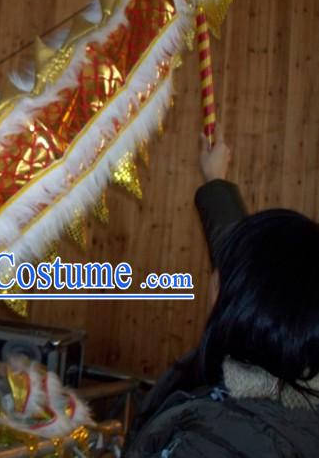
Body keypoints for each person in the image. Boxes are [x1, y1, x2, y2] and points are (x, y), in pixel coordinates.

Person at [126, 128, 319, 457]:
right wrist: (215, 179)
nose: (214, 278)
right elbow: (253, 262)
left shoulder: (214, 443)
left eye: (223, 275)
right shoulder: (290, 369)